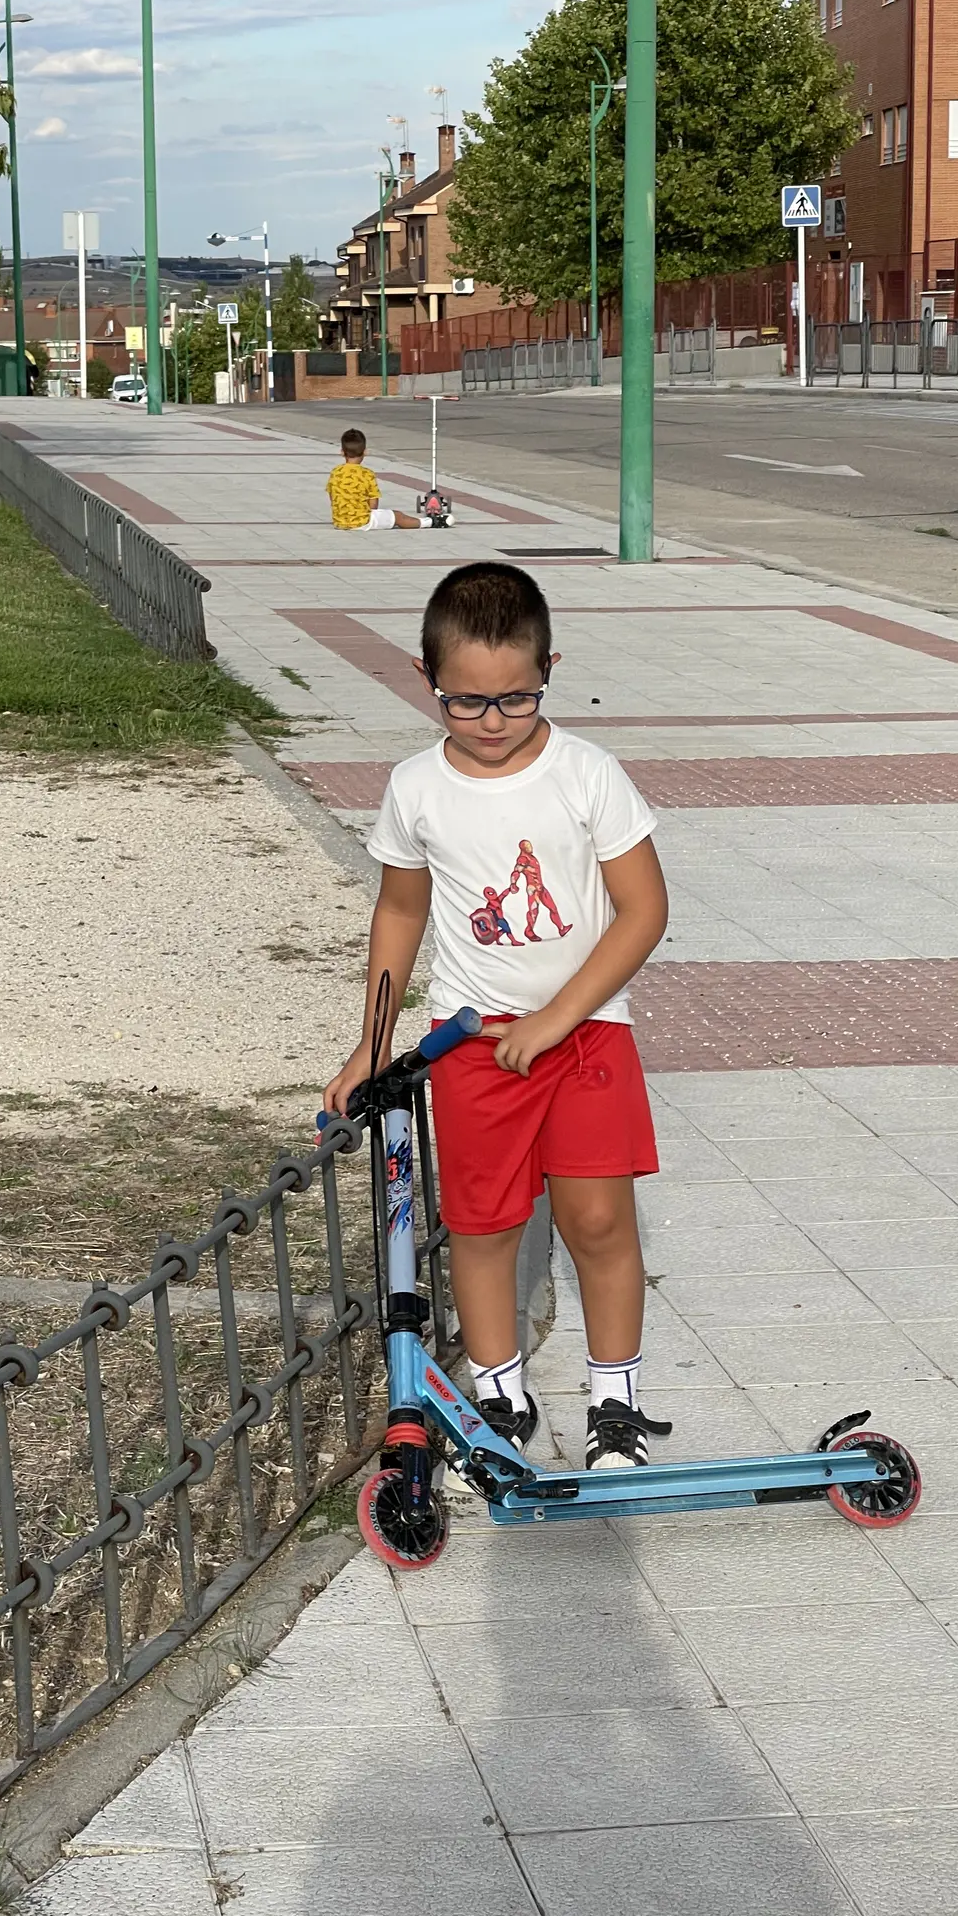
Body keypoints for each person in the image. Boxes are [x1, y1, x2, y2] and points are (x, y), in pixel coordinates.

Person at [324, 562, 671, 1470]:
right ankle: (497, 1399)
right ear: (425, 678)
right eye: (464, 702)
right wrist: (373, 1046)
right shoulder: (415, 789)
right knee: (483, 1226)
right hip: (474, 1046)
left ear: (549, 667)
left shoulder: (588, 775)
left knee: (598, 1221)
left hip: (587, 1035)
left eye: (516, 700)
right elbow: (400, 912)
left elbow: (644, 912)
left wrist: (557, 1018)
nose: (490, 723)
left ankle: (615, 1406)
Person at [326, 427, 425, 532]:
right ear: (365, 452)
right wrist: (374, 514)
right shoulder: (367, 474)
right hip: (362, 521)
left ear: (342, 452)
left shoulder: (336, 472)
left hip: (339, 521)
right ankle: (428, 522)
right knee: (398, 516)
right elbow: (373, 502)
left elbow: (332, 496)